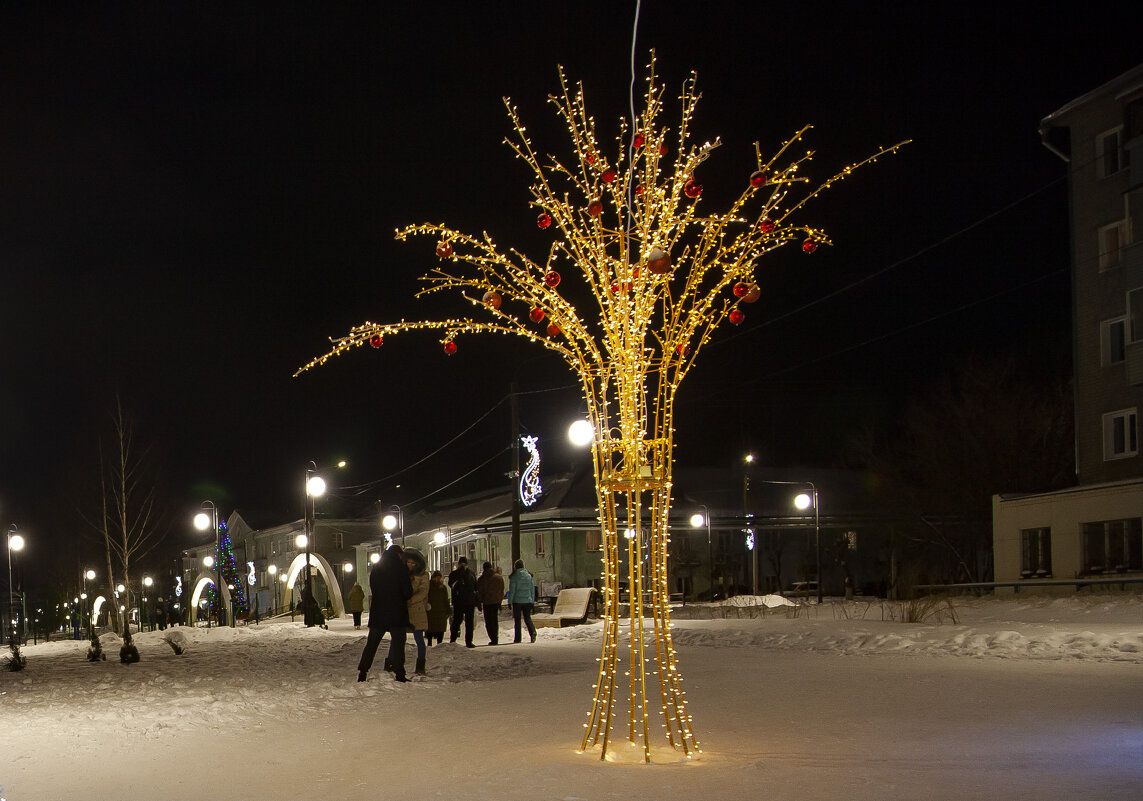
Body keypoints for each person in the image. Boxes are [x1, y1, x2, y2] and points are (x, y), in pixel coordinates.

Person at [356, 544, 413, 683]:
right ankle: (399, 673)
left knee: (372, 643)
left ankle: (363, 671)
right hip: (397, 612)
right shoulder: (401, 568)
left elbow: (374, 588)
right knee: (399, 644)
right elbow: (407, 592)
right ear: (399, 555)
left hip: (379, 612)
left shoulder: (377, 568)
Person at [404, 548, 429, 675]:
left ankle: (420, 665)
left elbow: (423, 591)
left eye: (413, 563)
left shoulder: (423, 575)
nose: (411, 565)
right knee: (398, 637)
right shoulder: (401, 574)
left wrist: (411, 600)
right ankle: (391, 663)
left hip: (417, 610)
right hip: (403, 610)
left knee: (419, 639)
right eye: (408, 563)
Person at [447, 557, 477, 648]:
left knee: (469, 622)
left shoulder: (471, 574)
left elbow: (475, 586)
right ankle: (453, 640)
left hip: (468, 602)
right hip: (459, 602)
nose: (463, 565)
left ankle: (468, 641)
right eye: (462, 564)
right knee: (457, 621)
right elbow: (451, 584)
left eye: (464, 564)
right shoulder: (454, 574)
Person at [507, 559, 537, 643]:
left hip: (517, 601)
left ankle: (518, 638)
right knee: (527, 618)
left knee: (517, 620)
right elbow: (532, 589)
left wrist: (510, 602)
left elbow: (512, 590)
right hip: (527, 600)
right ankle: (533, 632)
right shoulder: (529, 576)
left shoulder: (514, 576)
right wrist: (532, 600)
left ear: (515, 566)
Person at [476, 561, 505, 646]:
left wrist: (479, 603)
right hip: (496, 602)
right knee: (494, 620)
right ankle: (495, 638)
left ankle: (492, 638)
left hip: (487, 602)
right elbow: (501, 590)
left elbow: (479, 592)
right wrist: (500, 600)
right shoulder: (499, 578)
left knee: (488, 621)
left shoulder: (481, 579)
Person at [426, 570, 451, 646]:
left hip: (441, 611)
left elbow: (446, 599)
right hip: (431, 611)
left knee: (440, 628)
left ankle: (439, 644)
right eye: (436, 577)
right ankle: (429, 643)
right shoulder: (428, 587)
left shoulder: (443, 588)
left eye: (439, 577)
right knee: (430, 628)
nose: (437, 579)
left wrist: (448, 610)